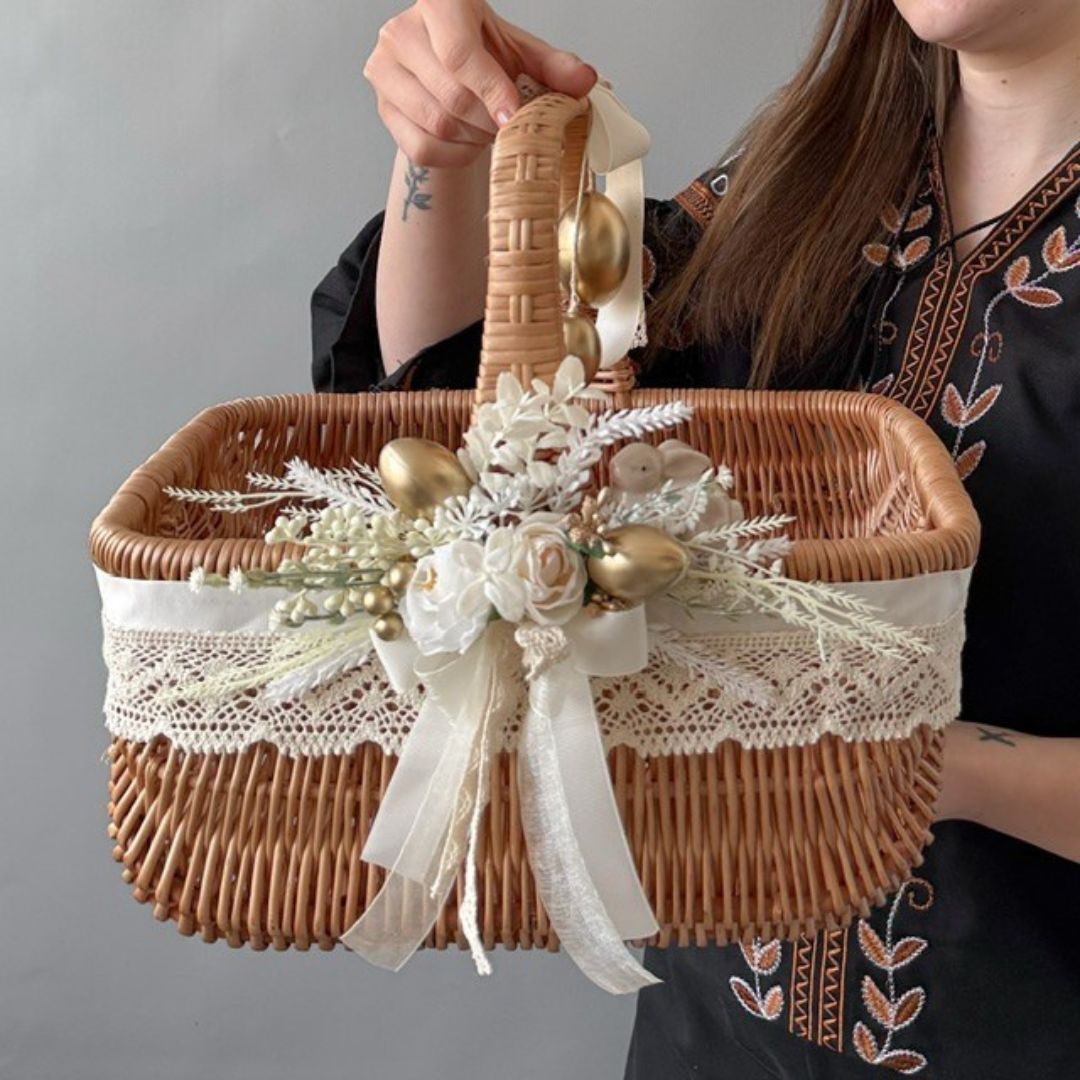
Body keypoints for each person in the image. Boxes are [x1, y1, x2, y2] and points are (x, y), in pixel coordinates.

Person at [311, 1, 1080, 1074]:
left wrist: (947, 768)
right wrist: (439, 157)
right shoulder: (799, 182)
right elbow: (474, 441)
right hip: (711, 1037)